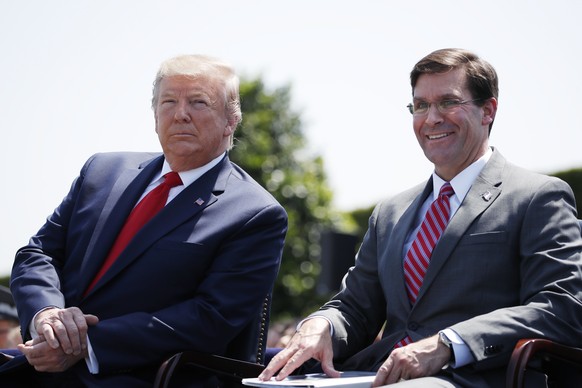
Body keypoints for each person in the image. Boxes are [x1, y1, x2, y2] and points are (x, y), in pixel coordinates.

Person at [259, 48, 582, 387]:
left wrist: (449, 343)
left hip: (476, 377)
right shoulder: (389, 213)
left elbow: (560, 307)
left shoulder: (537, 196)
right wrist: (320, 325)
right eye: (422, 105)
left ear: (488, 110)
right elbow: (354, 308)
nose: (431, 118)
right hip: (378, 374)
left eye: (448, 102)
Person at [2, 54, 288, 386]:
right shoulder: (101, 171)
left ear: (231, 120)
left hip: (138, 376)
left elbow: (209, 318)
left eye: (198, 102)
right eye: (168, 101)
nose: (180, 114)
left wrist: (86, 344)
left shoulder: (255, 213)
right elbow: (38, 254)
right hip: (39, 364)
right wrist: (46, 316)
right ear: (154, 115)